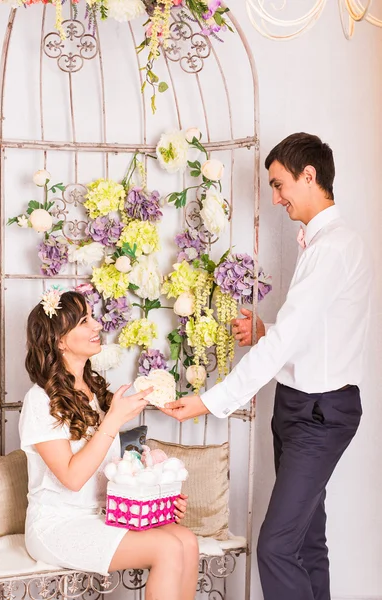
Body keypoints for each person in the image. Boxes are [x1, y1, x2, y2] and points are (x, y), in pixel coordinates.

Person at [162, 133, 372, 600]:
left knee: (275, 547)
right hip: (300, 406)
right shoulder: (323, 244)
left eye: (279, 185)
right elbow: (314, 328)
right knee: (305, 542)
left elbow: (286, 345)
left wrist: (209, 402)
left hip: (319, 413)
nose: (276, 198)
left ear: (309, 175)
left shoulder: (332, 247)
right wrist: (267, 330)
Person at [19, 290, 199, 600]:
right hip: (57, 525)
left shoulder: (94, 390)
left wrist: (158, 498)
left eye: (92, 317)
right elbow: (73, 479)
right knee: (167, 548)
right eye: (84, 321)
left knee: (186, 541)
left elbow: (114, 469)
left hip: (106, 514)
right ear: (59, 339)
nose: (97, 326)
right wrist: (113, 419)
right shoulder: (39, 400)